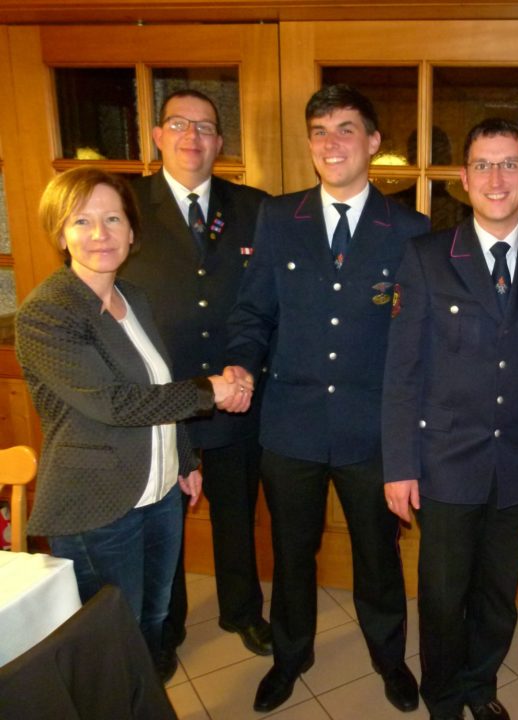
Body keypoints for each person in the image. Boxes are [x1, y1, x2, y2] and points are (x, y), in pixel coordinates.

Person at [224, 84, 429, 714]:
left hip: (373, 430)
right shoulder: (279, 217)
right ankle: (291, 657)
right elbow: (254, 310)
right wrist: (240, 361)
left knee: (378, 556)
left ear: (372, 142)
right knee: (292, 554)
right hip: (292, 425)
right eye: (319, 131)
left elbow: (416, 338)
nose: (331, 143)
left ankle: (389, 658)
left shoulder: (411, 229)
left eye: (346, 129)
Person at [15, 167, 250, 677]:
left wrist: (184, 459)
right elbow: (116, 403)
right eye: (82, 221)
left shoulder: (134, 297)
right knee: (110, 641)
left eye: (113, 219)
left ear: (131, 231)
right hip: (98, 504)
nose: (100, 234)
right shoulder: (49, 313)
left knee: (153, 622)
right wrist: (211, 389)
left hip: (159, 495)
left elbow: (158, 385)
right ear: (60, 233)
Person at [383, 118, 518, 720]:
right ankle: (443, 696)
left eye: (509, 163)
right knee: (442, 594)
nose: (496, 177)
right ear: (463, 178)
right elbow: (402, 372)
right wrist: (399, 466)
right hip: (445, 460)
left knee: (496, 593)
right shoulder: (428, 257)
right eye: (483, 165)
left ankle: (480, 685)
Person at [120, 89, 271, 677]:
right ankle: (166, 627)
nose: (192, 137)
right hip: (162, 399)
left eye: (205, 127)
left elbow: (270, 300)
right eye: (179, 124)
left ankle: (242, 610)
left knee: (237, 511)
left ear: (220, 142)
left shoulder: (255, 208)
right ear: (158, 136)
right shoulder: (125, 204)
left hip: (237, 393)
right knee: (163, 524)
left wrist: (247, 369)